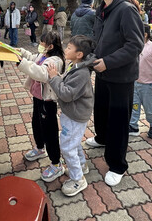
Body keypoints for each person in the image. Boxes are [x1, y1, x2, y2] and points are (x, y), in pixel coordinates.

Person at [85, 0, 144, 187]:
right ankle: (102, 138)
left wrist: (108, 62)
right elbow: (98, 39)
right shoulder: (102, 9)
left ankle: (118, 164)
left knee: (118, 120)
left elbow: (135, 45)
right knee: (101, 110)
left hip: (120, 75)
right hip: (102, 71)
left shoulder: (126, 10)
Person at [47, 35, 96, 196]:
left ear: (79, 54)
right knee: (73, 143)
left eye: (69, 47)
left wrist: (54, 78)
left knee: (67, 147)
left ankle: (78, 179)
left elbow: (66, 94)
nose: (65, 49)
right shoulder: (74, 65)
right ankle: (81, 165)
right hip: (73, 113)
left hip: (75, 116)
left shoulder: (81, 73)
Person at [17, 31, 65, 182]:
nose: (40, 45)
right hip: (37, 98)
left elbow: (42, 73)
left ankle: (56, 164)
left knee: (50, 131)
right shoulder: (44, 55)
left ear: (50, 46)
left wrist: (21, 64)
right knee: (36, 123)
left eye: (42, 43)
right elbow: (33, 59)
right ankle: (39, 148)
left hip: (47, 101)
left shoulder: (55, 60)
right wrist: (22, 52)